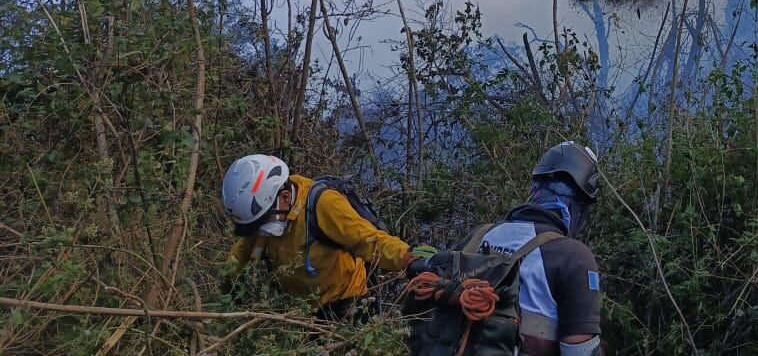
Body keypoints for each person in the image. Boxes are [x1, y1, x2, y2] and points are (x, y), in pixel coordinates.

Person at [409, 141, 604, 356]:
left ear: (535, 187)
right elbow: (581, 351)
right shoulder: (574, 256)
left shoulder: (480, 234)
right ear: (579, 204)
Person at [221, 154, 432, 321]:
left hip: (346, 304)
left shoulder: (323, 205)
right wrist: (226, 284)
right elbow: (242, 252)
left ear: (285, 197)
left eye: (263, 220)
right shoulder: (265, 215)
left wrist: (408, 257)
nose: (260, 229)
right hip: (299, 309)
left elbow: (370, 241)